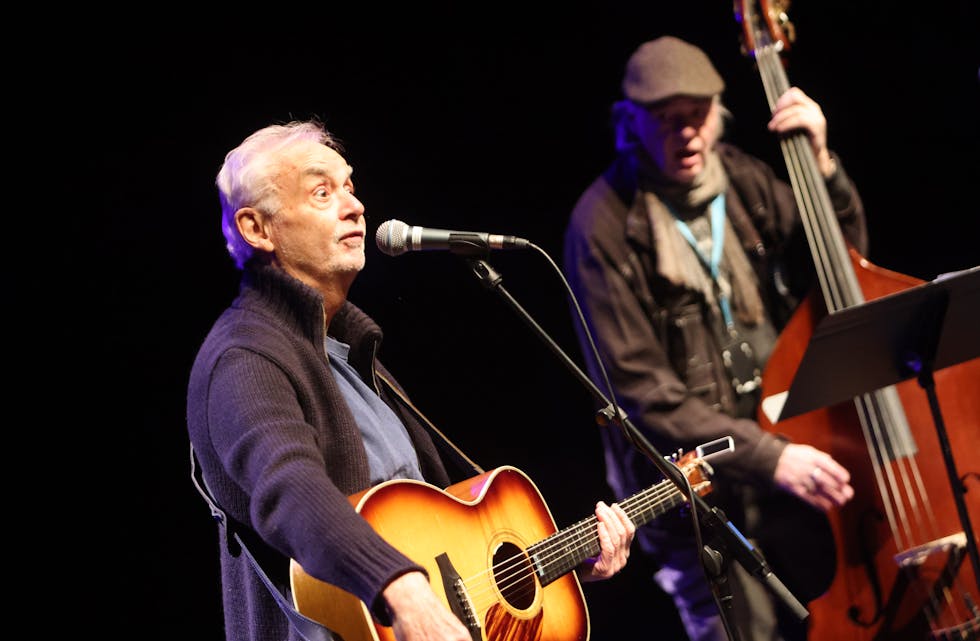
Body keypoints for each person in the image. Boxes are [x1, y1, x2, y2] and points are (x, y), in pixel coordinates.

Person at [186, 118, 636, 641]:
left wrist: (560, 561)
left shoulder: (355, 354)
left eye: (350, 188)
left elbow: (454, 546)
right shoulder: (243, 357)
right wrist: (402, 590)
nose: (355, 206)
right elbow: (288, 489)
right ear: (256, 228)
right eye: (322, 192)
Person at [562, 36, 864, 641]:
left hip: (786, 454)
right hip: (695, 499)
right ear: (632, 123)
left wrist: (823, 168)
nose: (688, 134)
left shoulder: (746, 179)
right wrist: (768, 456)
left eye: (697, 115)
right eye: (667, 121)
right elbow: (643, 394)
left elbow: (842, 273)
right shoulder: (602, 226)